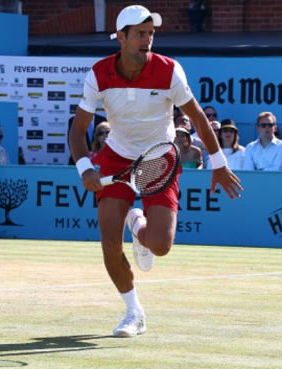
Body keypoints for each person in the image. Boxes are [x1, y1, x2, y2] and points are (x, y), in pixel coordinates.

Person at [68, 5, 242, 338]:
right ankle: (134, 313)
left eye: (150, 34)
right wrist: (85, 167)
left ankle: (139, 225)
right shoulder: (98, 74)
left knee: (160, 246)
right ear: (120, 38)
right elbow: (78, 131)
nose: (147, 40)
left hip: (159, 158)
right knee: (108, 245)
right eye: (139, 34)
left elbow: (199, 118)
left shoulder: (170, 71)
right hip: (116, 157)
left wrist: (219, 163)